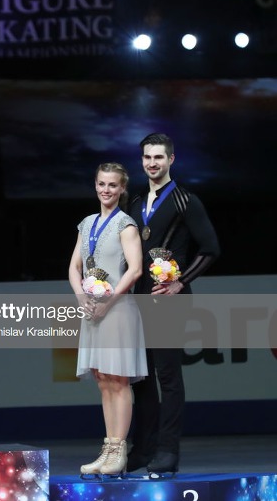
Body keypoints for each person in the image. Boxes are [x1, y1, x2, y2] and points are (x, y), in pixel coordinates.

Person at [127, 133, 220, 475]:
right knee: (140, 378)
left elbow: (210, 249)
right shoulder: (136, 201)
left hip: (169, 301)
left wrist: (180, 282)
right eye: (147, 157)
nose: (152, 163)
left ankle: (168, 452)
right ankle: (142, 450)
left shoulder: (186, 200)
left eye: (159, 157)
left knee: (167, 377)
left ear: (171, 160)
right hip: (137, 300)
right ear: (142, 161)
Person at [68, 163, 147, 477]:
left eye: (113, 185)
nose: (106, 190)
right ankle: (108, 448)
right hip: (92, 310)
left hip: (118, 310)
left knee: (118, 379)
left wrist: (108, 302)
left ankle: (119, 450)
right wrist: (81, 297)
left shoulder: (126, 225)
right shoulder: (87, 223)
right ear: (95, 185)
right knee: (103, 379)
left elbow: (135, 269)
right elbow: (74, 267)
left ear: (122, 188)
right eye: (102, 184)